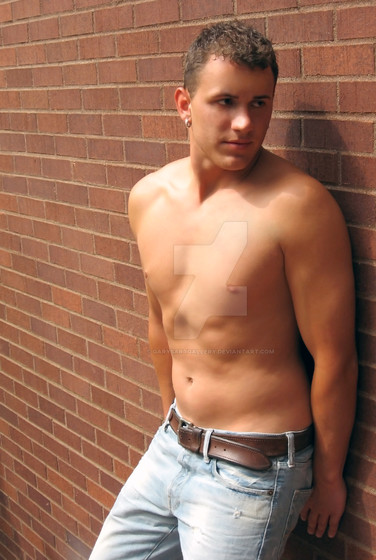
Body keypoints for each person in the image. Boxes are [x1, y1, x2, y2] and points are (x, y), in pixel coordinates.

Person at [89, 21, 358, 560]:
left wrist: (329, 477)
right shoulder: (148, 199)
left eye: (260, 103)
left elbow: (335, 356)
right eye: (226, 101)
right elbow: (162, 321)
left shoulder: (297, 207)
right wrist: (171, 418)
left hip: (252, 470)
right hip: (173, 445)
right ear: (184, 104)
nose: (244, 123)